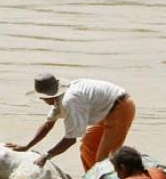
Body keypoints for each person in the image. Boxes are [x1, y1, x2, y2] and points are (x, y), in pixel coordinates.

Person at [7, 73, 135, 172]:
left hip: (120, 107)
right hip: (107, 109)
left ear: (45, 97)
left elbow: (70, 139)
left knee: (103, 160)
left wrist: (46, 156)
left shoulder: (70, 101)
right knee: (87, 146)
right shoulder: (59, 100)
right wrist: (27, 146)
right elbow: (47, 125)